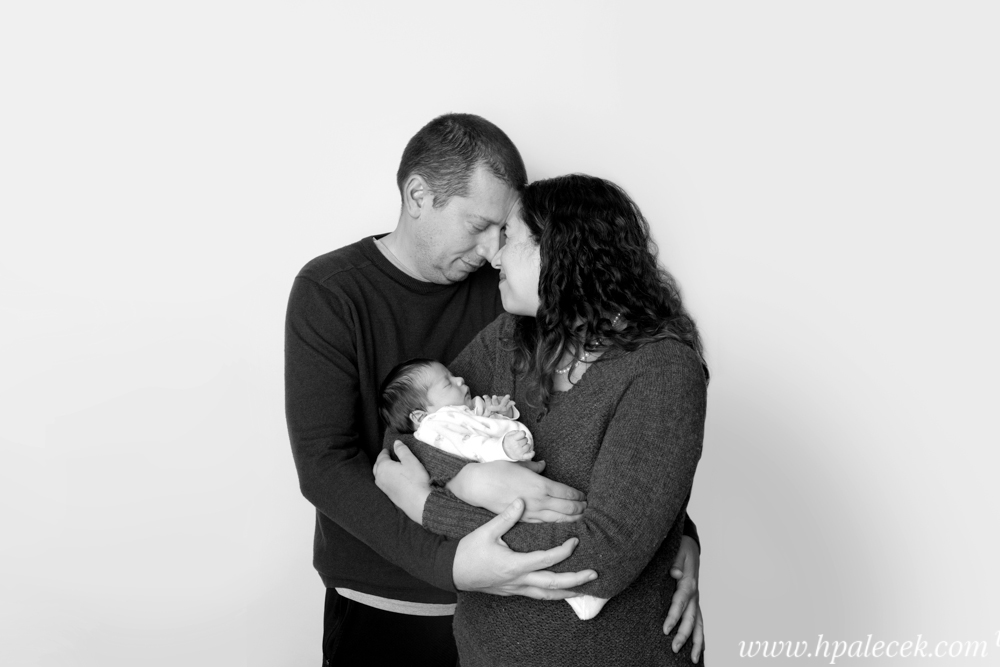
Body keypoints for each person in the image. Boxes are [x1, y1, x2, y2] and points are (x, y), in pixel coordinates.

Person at [285, 114, 704, 666]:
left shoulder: (518, 305)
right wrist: (462, 502)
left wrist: (679, 540)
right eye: (480, 225)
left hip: (513, 619)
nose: (492, 251)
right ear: (418, 196)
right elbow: (342, 460)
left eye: (505, 233)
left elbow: (623, 464)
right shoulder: (334, 292)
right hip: (393, 603)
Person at [375, 174, 708, 665]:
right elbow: (404, 433)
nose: (493, 256)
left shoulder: (661, 371)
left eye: (510, 237)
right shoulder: (509, 338)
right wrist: (474, 481)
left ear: (560, 252)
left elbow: (603, 558)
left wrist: (431, 506)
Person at [378, 358, 535, 463]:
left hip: (518, 453)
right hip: (502, 464)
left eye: (453, 376)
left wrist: (503, 412)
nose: (460, 380)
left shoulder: (469, 408)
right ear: (420, 417)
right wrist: (502, 449)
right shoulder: (434, 425)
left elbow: (490, 425)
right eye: (448, 383)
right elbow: (468, 447)